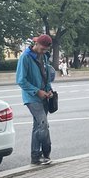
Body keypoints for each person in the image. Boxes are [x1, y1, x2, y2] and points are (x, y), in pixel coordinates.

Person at [16, 34, 55, 166]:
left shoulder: (43, 56)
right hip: (32, 97)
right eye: (42, 49)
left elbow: (47, 76)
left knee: (38, 126)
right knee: (43, 124)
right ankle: (45, 154)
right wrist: (37, 91)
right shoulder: (25, 57)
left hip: (44, 95)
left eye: (46, 50)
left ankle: (35, 157)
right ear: (36, 44)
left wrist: (49, 90)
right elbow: (20, 80)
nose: (44, 52)